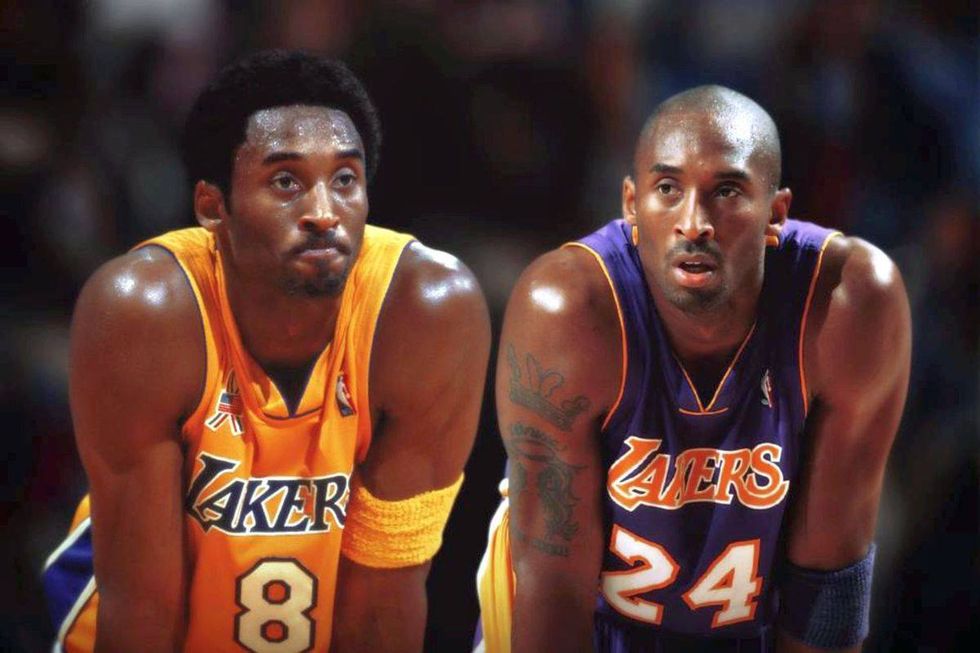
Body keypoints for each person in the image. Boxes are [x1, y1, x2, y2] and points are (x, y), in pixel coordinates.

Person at [42, 50, 491, 653]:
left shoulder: (427, 310)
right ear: (213, 207)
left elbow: (385, 599)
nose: (323, 213)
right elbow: (143, 611)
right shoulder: (144, 311)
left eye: (345, 180)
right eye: (286, 182)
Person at [475, 85, 910, 652]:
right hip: (586, 625)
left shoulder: (849, 302)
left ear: (776, 213)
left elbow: (827, 586)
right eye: (667, 189)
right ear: (631, 206)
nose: (694, 222)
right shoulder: (569, 310)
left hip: (748, 635)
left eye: (726, 191)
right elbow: (553, 588)